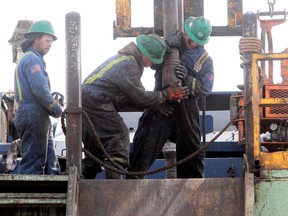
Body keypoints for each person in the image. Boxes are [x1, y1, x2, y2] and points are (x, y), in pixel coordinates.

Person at [81, 34, 190, 179]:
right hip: (95, 101)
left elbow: (131, 98)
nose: (152, 63)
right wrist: (166, 95)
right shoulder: (129, 65)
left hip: (86, 102)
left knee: (95, 153)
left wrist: (155, 106)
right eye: (152, 59)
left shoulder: (125, 61)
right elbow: (140, 96)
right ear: (144, 54)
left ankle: (82, 185)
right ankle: (114, 191)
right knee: (118, 138)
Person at [127, 16, 214, 179]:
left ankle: (192, 193)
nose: (193, 44)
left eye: (197, 42)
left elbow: (206, 87)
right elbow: (151, 62)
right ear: (184, 32)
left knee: (191, 154)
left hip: (187, 110)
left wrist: (188, 79)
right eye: (191, 40)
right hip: (162, 103)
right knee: (144, 146)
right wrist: (167, 45)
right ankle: (132, 184)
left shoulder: (205, 59)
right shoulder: (168, 45)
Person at [13, 20, 62, 175]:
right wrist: (57, 108)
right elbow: (40, 89)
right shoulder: (31, 59)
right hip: (33, 114)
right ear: (36, 39)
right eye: (47, 40)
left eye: (51, 42)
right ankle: (29, 197)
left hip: (38, 115)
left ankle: (53, 195)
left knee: (50, 165)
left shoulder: (34, 59)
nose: (50, 45)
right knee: (33, 164)